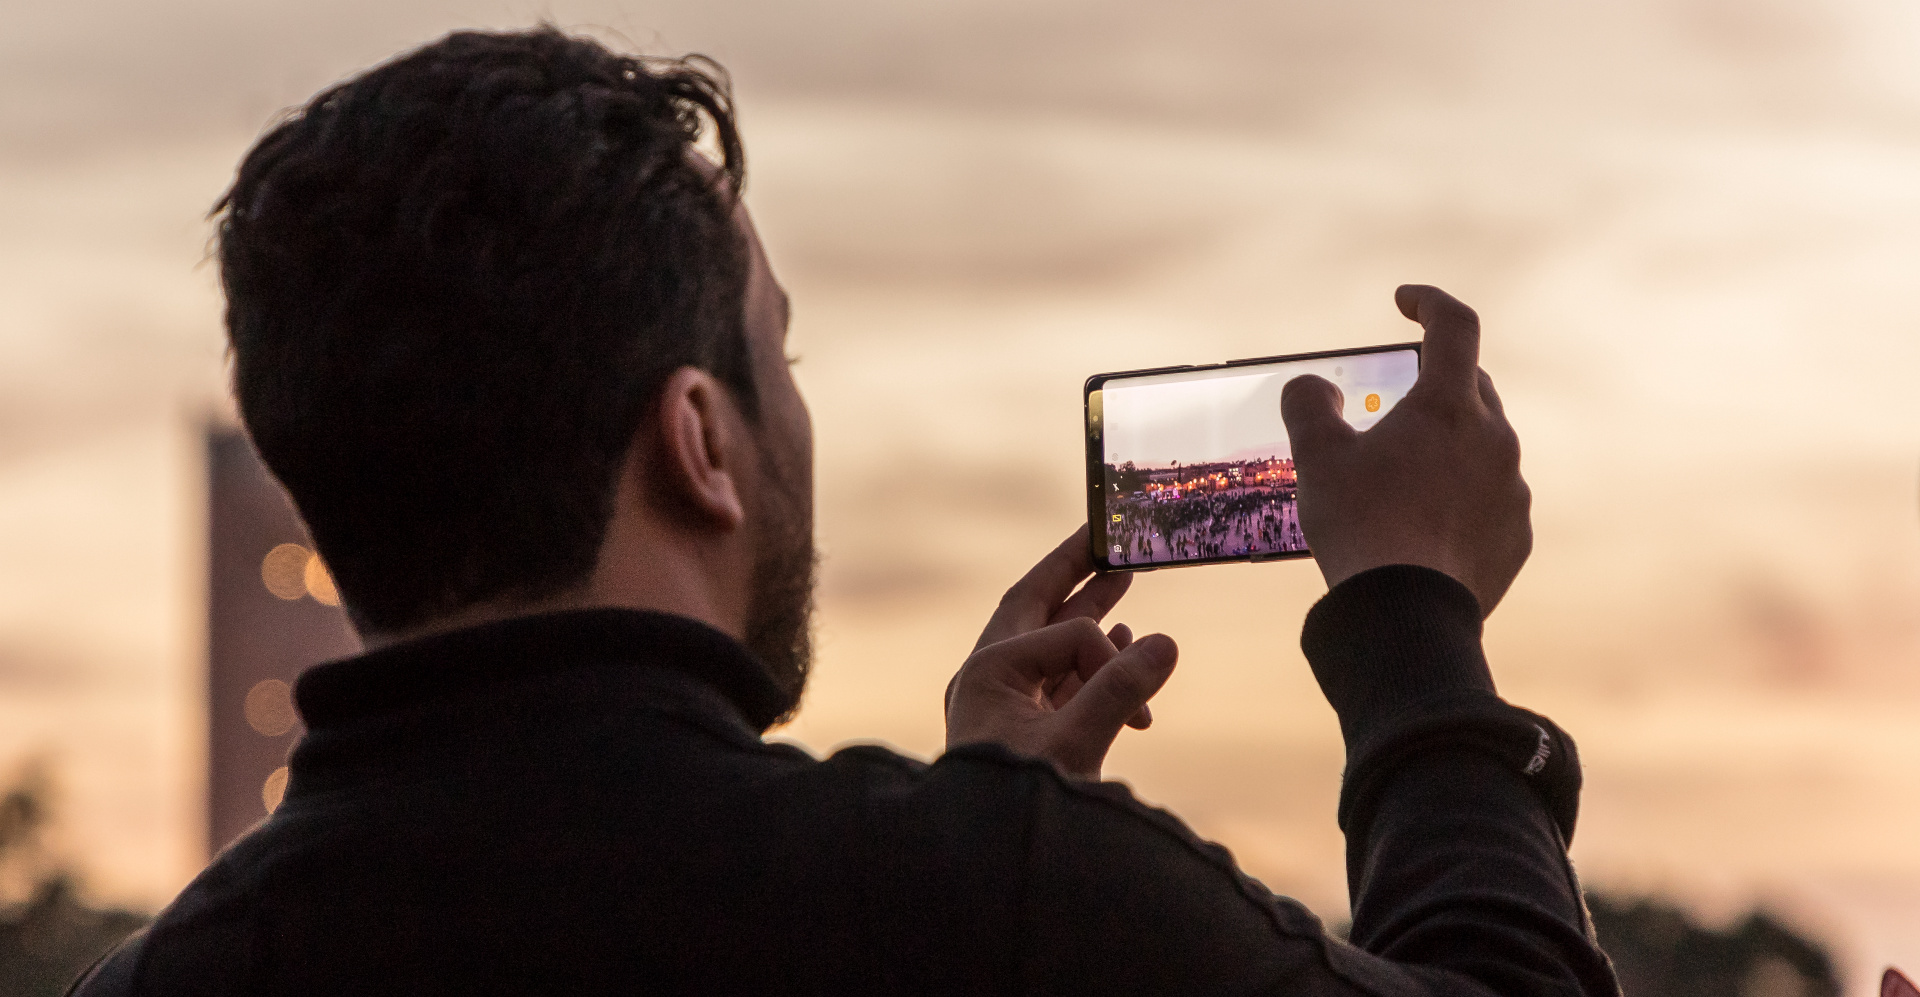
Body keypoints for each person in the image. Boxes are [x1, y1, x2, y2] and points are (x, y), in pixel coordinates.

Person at [70, 27, 1618, 996]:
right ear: (700, 440)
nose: (796, 405)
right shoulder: (999, 905)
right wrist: (1412, 613)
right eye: (777, 354)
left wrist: (973, 827)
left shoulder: (162, 978)